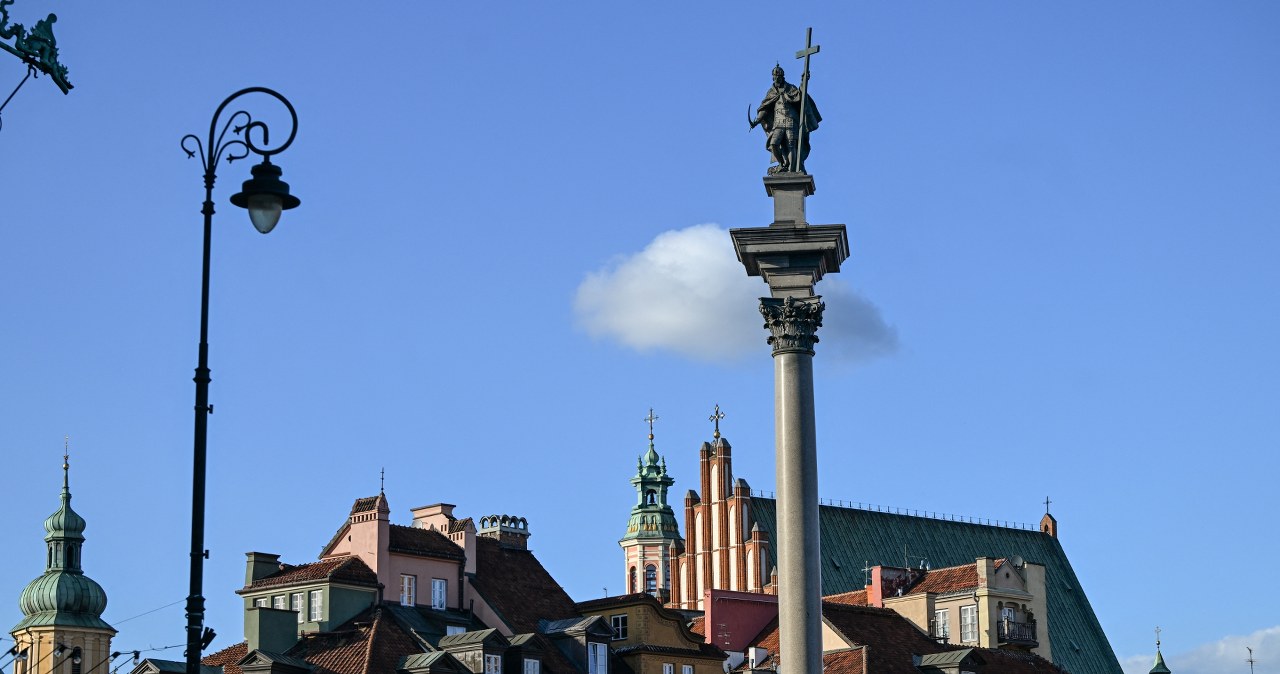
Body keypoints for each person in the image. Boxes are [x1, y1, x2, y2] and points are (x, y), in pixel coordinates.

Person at [750, 64, 821, 173]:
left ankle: (792, 170)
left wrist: (803, 82)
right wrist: (756, 121)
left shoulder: (790, 88)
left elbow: (800, 95)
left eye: (778, 76)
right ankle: (782, 164)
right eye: (774, 76)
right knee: (773, 144)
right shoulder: (771, 92)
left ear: (782, 77)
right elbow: (765, 108)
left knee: (791, 146)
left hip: (791, 121)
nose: (776, 78)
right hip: (778, 123)